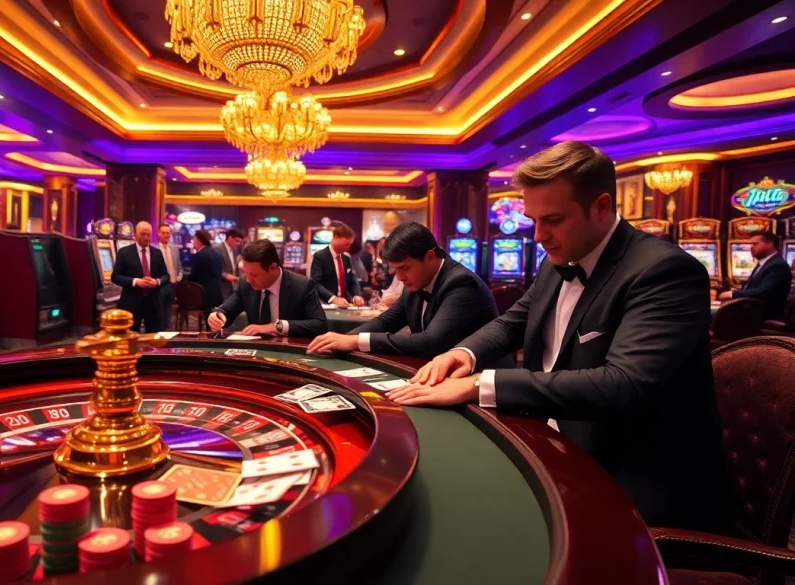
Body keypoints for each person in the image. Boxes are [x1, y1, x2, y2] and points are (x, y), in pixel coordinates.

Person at [389, 141, 731, 532]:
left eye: (553, 219)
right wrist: (463, 354)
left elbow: (624, 384)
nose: (538, 235)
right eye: (533, 220)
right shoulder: (559, 260)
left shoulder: (664, 271)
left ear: (601, 206)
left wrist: (478, 384)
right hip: (557, 442)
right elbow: (511, 323)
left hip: (636, 475)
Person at [306, 222, 509, 361]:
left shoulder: (461, 283)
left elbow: (431, 342)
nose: (400, 276)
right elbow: (387, 321)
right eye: (396, 269)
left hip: (481, 385)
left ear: (430, 257)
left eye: (404, 268)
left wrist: (357, 341)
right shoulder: (417, 280)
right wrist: (342, 340)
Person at [208, 239, 327, 338]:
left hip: (290, 350)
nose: (248, 280)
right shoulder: (245, 283)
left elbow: (319, 324)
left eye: (254, 275)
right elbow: (228, 309)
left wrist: (275, 327)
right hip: (257, 349)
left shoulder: (301, 285)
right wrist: (218, 316)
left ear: (272, 268)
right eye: (245, 273)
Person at [111, 221, 169, 332]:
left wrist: (157, 282)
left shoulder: (157, 253)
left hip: (153, 303)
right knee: (131, 336)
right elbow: (116, 277)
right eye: (143, 234)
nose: (146, 237)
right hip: (131, 302)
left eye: (149, 235)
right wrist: (135, 281)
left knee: (155, 336)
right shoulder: (124, 252)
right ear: (135, 233)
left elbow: (166, 276)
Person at [718, 231, 790, 320]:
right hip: (752, 311)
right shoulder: (764, 263)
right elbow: (750, 288)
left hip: (764, 316)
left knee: (709, 316)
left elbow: (763, 292)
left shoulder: (778, 265)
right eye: (750, 244)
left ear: (770, 244)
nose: (751, 247)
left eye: (755, 244)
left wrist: (731, 294)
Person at [310, 223, 365, 307]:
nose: (348, 247)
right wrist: (333, 298)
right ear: (336, 237)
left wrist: (356, 295)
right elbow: (315, 283)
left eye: (350, 244)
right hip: (326, 304)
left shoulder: (346, 258)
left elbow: (353, 280)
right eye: (346, 244)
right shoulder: (320, 256)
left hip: (345, 303)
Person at [186, 229, 224, 314]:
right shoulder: (216, 253)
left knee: (208, 318)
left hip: (204, 294)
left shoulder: (200, 255)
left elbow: (194, 275)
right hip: (217, 291)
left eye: (194, 238)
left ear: (198, 240)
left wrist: (184, 277)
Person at [157, 224, 184, 330]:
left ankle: (166, 336)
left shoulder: (174, 249)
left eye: (168, 233)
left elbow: (179, 267)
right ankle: (158, 335)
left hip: (172, 286)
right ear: (158, 234)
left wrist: (178, 278)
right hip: (159, 287)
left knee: (168, 315)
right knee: (159, 314)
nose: (166, 235)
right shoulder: (153, 249)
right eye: (163, 233)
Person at [213, 229, 243, 303]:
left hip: (232, 286)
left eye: (240, 242)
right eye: (237, 241)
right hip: (220, 286)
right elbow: (212, 268)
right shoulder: (217, 248)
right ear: (229, 238)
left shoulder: (235, 250)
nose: (238, 244)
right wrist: (226, 276)